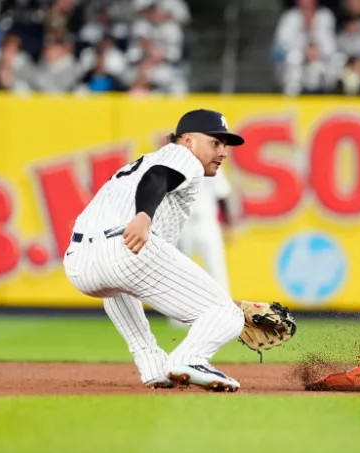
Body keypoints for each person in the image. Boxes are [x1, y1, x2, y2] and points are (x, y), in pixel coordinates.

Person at [63, 109, 253, 392]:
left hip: (79, 262)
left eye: (225, 144)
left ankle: (152, 366)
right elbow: (157, 178)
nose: (223, 151)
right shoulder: (181, 156)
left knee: (116, 287)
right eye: (215, 142)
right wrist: (143, 216)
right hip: (126, 246)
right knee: (228, 315)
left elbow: (151, 176)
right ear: (188, 140)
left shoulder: (143, 160)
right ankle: (189, 359)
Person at [168, 170, 235, 331]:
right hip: (184, 223)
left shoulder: (213, 166)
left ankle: (225, 315)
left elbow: (222, 195)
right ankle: (179, 317)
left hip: (208, 222)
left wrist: (228, 223)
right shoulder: (178, 166)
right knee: (181, 271)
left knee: (216, 270)